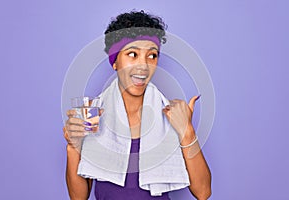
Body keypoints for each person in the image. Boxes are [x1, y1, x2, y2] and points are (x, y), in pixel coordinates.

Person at [63, 10, 211, 200]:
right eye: (132, 54)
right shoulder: (92, 115)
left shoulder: (172, 114)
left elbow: (203, 192)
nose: (143, 65)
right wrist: (73, 146)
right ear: (115, 62)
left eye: (152, 56)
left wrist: (187, 130)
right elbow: (79, 197)